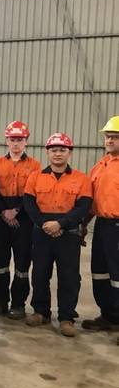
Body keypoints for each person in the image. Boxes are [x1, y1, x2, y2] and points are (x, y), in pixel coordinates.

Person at [23, 133, 92, 337]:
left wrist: (61, 224)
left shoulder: (81, 179)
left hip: (68, 234)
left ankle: (66, 318)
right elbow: (29, 204)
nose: (58, 153)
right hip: (42, 232)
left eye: (63, 150)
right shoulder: (35, 177)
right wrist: (44, 224)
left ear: (69, 153)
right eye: (54, 150)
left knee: (69, 276)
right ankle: (40, 312)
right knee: (40, 273)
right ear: (47, 152)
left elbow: (83, 207)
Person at [0, 121, 41, 319]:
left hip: (24, 218)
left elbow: (33, 193)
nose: (16, 143)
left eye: (20, 139)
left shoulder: (35, 165)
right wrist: (4, 212)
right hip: (1, 217)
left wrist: (16, 211)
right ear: (7, 141)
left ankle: (18, 303)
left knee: (22, 264)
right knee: (0, 262)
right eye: (12, 139)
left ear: (26, 141)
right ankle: (0, 300)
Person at [83, 116, 119, 339]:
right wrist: (83, 224)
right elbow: (90, 199)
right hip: (102, 225)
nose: (110, 140)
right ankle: (109, 316)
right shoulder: (101, 165)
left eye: (115, 137)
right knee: (100, 272)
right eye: (108, 136)